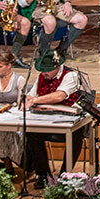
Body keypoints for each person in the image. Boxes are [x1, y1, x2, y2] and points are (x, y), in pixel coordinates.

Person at [23, 50, 86, 187]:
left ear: (56, 67)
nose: (44, 73)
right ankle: (43, 174)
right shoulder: (41, 77)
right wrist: (27, 99)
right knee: (32, 133)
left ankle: (65, 175)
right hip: (46, 120)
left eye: (47, 70)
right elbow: (31, 94)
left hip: (68, 120)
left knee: (76, 135)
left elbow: (59, 96)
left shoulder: (71, 76)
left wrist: (35, 100)